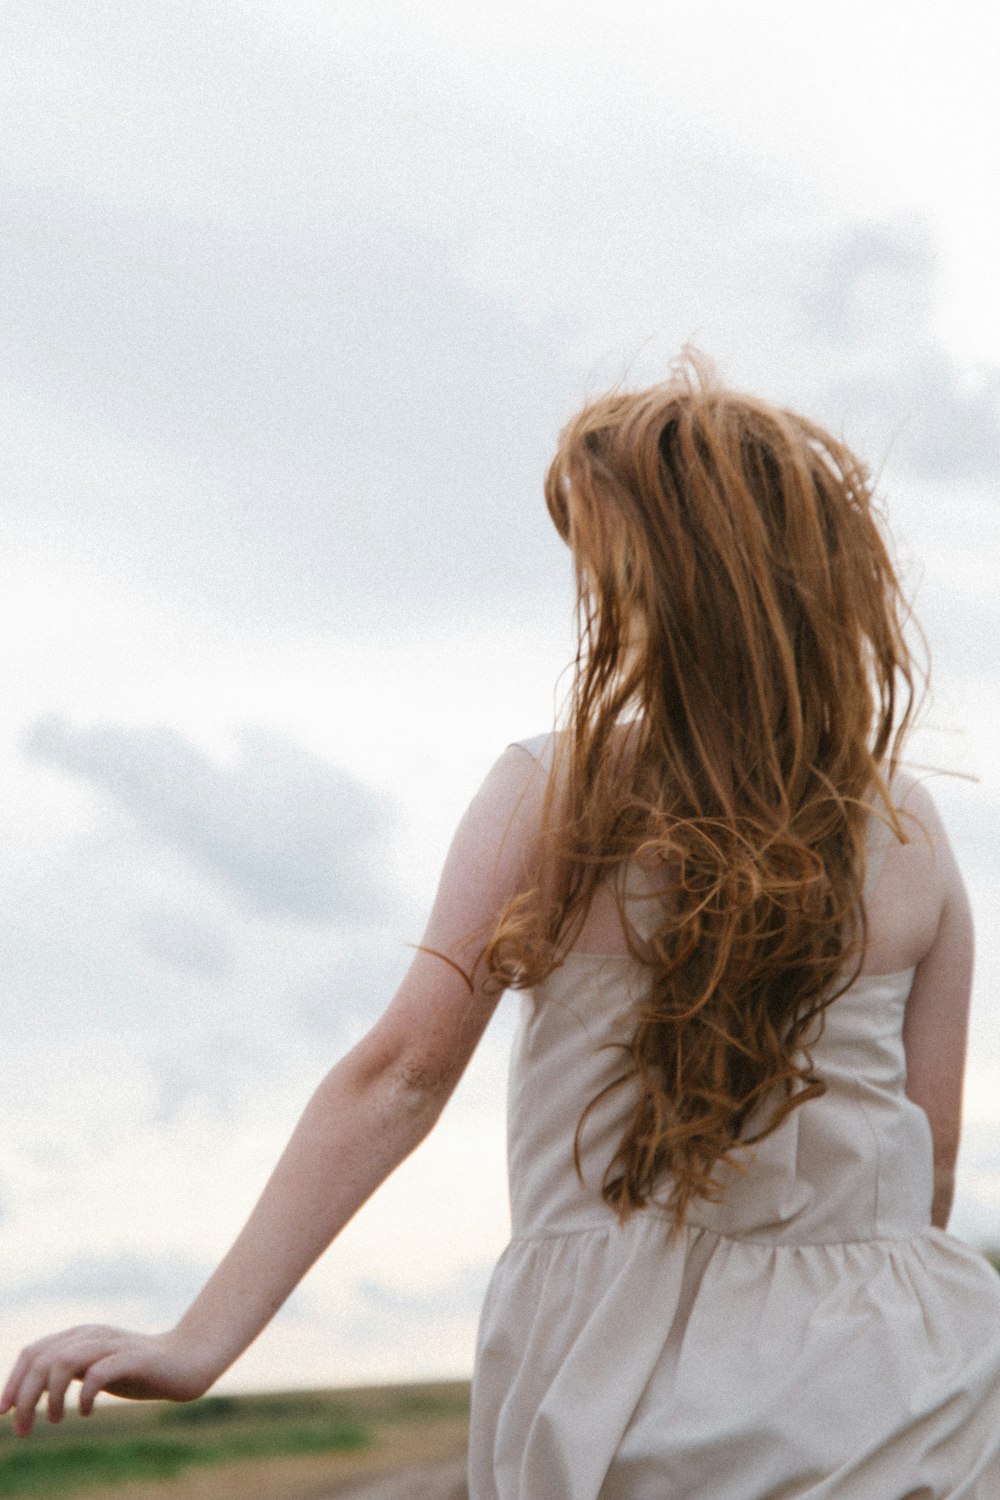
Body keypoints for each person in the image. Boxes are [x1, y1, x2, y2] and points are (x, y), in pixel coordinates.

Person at [4, 351, 1000, 1498]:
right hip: (887, 1384)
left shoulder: (552, 794)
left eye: (599, 560)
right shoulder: (908, 825)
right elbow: (924, 1151)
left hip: (621, 1387)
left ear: (659, 585)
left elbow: (404, 1075)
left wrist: (199, 1340)